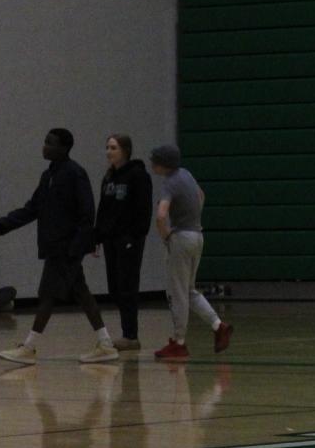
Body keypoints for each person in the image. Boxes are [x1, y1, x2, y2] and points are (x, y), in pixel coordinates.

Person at [0, 128, 120, 365]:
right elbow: (33, 208)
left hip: (67, 247)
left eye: (50, 143)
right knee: (81, 292)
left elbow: (87, 211)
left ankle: (28, 347)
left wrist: (78, 246)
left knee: (47, 295)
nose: (44, 146)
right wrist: (3, 224)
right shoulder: (48, 175)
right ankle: (106, 343)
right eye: (45, 141)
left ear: (63, 148)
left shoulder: (75, 174)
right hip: (55, 246)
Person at [151, 144, 232, 360]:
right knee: (189, 290)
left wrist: (166, 235)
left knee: (177, 294)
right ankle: (218, 325)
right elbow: (201, 195)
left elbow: (160, 215)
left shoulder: (169, 183)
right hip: (197, 235)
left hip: (181, 238)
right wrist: (193, 219)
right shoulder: (186, 174)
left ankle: (179, 343)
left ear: (161, 163)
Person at [95, 134, 153, 351]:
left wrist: (134, 236)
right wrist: (97, 237)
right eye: (107, 147)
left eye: (113, 147)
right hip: (110, 239)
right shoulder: (109, 177)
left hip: (129, 240)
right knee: (115, 288)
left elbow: (143, 210)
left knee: (127, 286)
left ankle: (130, 335)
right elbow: (104, 209)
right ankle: (127, 332)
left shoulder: (138, 176)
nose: (109, 151)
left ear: (125, 150)